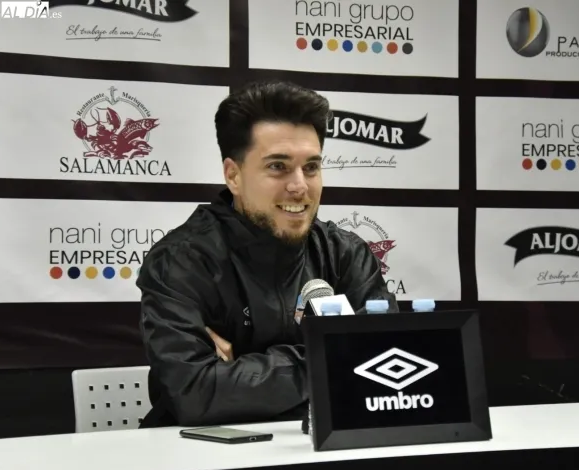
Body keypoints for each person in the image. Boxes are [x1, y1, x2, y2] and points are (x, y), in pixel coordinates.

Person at [136, 80, 397, 428]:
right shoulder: (182, 261)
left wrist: (239, 372)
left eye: (311, 167)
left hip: (323, 446)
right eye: (278, 166)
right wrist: (335, 353)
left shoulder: (345, 253)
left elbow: (390, 361)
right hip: (204, 451)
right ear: (233, 176)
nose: (299, 185)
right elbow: (196, 394)